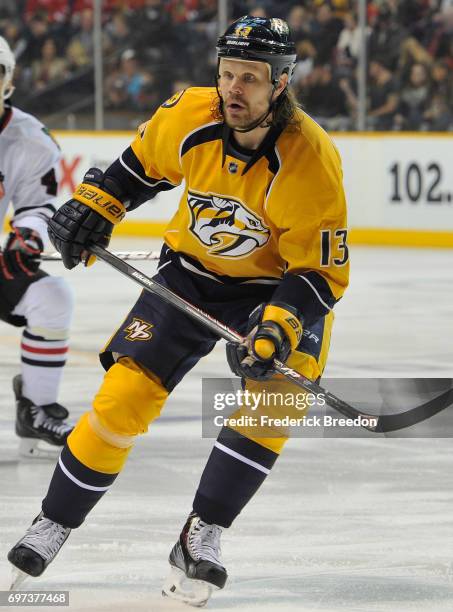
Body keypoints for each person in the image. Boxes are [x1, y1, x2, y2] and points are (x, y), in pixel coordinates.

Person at [8, 16, 349, 606]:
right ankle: (53, 522)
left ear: (282, 85)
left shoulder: (310, 159)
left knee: (276, 399)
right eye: (227, 74)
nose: (234, 89)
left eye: (250, 78)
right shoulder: (193, 114)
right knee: (121, 401)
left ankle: (202, 534)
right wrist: (97, 206)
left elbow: (319, 273)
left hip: (274, 291)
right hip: (188, 280)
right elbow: (137, 168)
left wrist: (276, 329)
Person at [0, 36, 74, 458]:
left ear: (8, 80)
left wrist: (26, 236)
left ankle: (37, 406)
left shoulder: (30, 140)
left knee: (52, 296)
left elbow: (36, 205)